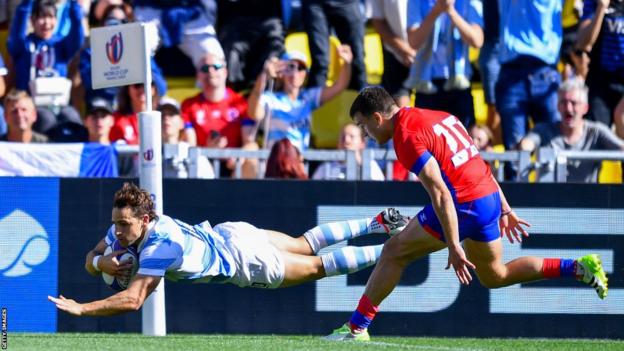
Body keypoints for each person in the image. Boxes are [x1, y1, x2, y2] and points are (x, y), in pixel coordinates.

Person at [324, 86, 608, 341]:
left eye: (364, 127)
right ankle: (578, 267)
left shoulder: (406, 136)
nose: (367, 135)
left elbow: (441, 194)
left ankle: (355, 329)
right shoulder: (439, 116)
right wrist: (504, 207)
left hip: (464, 203)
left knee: (394, 252)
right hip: (487, 197)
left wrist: (454, 245)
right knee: (496, 275)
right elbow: (475, 162)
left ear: (377, 118)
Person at [48, 182, 410, 316]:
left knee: (317, 267)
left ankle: (397, 246)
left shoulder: (159, 246)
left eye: (124, 224)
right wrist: (100, 262)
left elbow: (133, 299)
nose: (116, 230)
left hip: (241, 261)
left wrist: (82, 308)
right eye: (115, 222)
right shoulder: (128, 231)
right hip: (233, 233)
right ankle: (375, 222)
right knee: (303, 243)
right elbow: (90, 257)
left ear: (145, 219)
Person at [496, 0, 562, 179]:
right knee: (515, 154)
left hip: (546, 73)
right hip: (512, 72)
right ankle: (514, 204)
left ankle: (554, 204)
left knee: (554, 147)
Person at [518, 78, 624, 183]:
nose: (568, 108)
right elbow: (527, 144)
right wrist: (524, 146)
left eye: (574, 103)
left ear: (585, 108)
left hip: (587, 198)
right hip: (549, 198)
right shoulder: (543, 130)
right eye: (563, 102)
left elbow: (620, 149)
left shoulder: (596, 132)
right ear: (558, 107)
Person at [248, 48, 352, 151]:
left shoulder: (308, 98)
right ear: (280, 73)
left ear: (306, 74)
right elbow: (254, 114)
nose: (295, 72)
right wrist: (264, 75)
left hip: (299, 163)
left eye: (301, 68)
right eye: (290, 67)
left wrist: (347, 63)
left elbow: (340, 86)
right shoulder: (270, 98)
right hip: (276, 162)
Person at [405, 0, 484, 129]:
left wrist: (451, 12)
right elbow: (413, 41)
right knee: (426, 142)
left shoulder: (469, 2)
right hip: (427, 86)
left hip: (459, 84)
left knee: (461, 142)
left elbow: (477, 40)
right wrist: (436, 11)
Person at [576, 0, 624, 128]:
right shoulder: (594, 2)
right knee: (597, 135)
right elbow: (583, 43)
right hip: (601, 82)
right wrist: (601, 9)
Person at [301, 0, 367, 90]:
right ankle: (313, 102)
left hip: (348, 3)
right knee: (320, 63)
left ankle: (363, 102)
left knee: (357, 60)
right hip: (315, 4)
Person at [367, 0, 414, 107]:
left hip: (430, 56)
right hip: (395, 54)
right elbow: (378, 21)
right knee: (402, 114)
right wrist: (404, 49)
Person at [312, 123, 385, 180]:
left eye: (352, 136)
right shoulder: (325, 168)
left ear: (362, 143)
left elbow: (378, 193)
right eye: (343, 137)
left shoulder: (371, 166)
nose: (346, 140)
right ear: (338, 143)